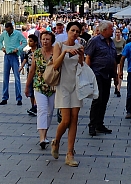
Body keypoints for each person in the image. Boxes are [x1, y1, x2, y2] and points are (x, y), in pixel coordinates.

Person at [51, 21, 84, 167]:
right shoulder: (59, 45)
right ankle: (56, 141)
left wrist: (82, 56)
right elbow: (55, 65)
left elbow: (82, 66)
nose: (75, 33)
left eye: (77, 31)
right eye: (72, 30)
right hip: (63, 84)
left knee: (74, 119)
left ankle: (70, 153)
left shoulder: (80, 47)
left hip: (76, 84)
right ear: (67, 31)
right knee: (65, 120)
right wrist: (65, 52)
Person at [84, 20, 116, 136]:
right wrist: (88, 74)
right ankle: (92, 124)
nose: (113, 30)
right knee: (98, 99)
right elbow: (88, 57)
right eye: (111, 28)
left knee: (105, 99)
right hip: (97, 74)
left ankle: (100, 124)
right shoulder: (95, 41)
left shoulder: (111, 42)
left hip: (107, 75)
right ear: (104, 30)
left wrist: (115, 75)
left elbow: (113, 59)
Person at [26, 30, 56, 150]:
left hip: (53, 86)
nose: (45, 41)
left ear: (52, 41)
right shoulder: (37, 53)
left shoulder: (56, 52)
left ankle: (45, 134)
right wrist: (27, 86)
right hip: (39, 86)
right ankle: (42, 138)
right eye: (43, 39)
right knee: (42, 110)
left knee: (49, 112)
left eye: (47, 39)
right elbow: (32, 70)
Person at [0, 22, 26, 105]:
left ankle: (19, 98)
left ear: (12, 28)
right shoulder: (4, 34)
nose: (8, 32)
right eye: (6, 30)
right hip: (7, 55)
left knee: (17, 77)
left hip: (14, 56)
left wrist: (18, 48)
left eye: (9, 30)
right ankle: (4, 97)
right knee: (5, 78)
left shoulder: (17, 34)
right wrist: (2, 47)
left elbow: (24, 41)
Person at [20, 34, 39, 116]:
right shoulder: (28, 52)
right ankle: (33, 107)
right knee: (31, 91)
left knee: (37, 91)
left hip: (38, 74)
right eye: (29, 41)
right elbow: (25, 59)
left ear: (35, 42)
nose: (29, 42)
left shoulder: (39, 52)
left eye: (31, 41)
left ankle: (36, 107)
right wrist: (21, 67)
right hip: (30, 73)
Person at [112, 29, 125, 97]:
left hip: (120, 57)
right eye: (116, 32)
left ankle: (118, 89)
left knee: (120, 72)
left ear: (120, 33)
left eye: (118, 32)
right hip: (113, 57)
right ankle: (115, 85)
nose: (117, 33)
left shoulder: (123, 41)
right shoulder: (112, 40)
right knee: (114, 73)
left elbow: (125, 49)